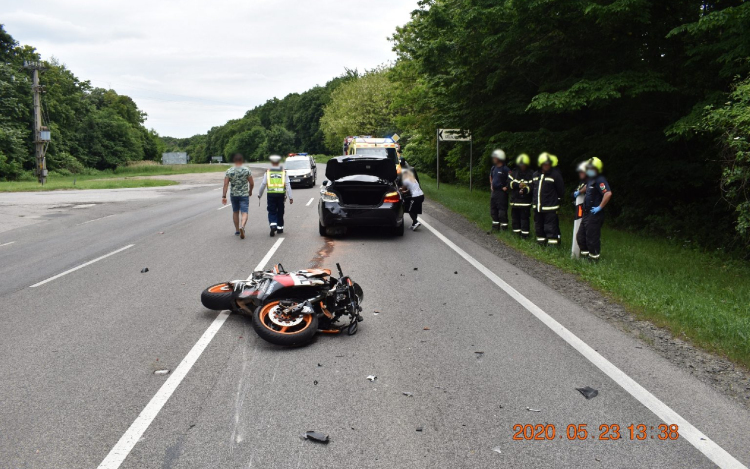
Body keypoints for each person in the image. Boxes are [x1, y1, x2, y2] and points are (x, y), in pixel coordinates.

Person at [576, 157, 612, 261]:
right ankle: (585, 257)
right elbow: (587, 187)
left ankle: (594, 260)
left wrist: (600, 207)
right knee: (581, 237)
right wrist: (579, 192)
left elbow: (608, 193)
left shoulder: (600, 180)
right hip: (587, 213)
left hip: (594, 215)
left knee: (592, 239)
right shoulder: (591, 179)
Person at [531, 152, 565, 246]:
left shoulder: (555, 175)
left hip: (550, 207)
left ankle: (552, 247)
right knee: (539, 227)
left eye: (548, 163)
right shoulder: (535, 175)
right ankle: (540, 244)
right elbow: (533, 189)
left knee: (550, 227)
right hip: (537, 207)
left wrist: (556, 201)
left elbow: (561, 190)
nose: (546, 165)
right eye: (545, 163)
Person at [257, 154, 293, 237]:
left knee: (272, 211)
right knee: (280, 211)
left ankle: (273, 226)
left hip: (271, 195)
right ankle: (280, 228)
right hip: (281, 195)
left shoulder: (268, 172)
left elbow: (263, 184)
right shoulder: (283, 172)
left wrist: (260, 194)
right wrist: (290, 197)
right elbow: (288, 185)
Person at [222, 153, 254, 239]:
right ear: (242, 160)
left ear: (234, 161)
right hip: (244, 194)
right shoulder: (247, 170)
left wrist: (224, 196)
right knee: (244, 212)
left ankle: (237, 230)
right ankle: (242, 226)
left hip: (234, 195)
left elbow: (225, 184)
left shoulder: (229, 171)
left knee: (235, 212)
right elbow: (251, 183)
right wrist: (250, 191)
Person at [508, 153, 534, 238]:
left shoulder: (531, 174)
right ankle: (516, 234)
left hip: (525, 202)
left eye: (524, 164)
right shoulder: (514, 173)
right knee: (515, 219)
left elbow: (533, 187)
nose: (522, 166)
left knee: (524, 219)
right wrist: (517, 185)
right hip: (515, 202)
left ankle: (524, 236)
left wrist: (525, 190)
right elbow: (508, 183)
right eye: (521, 164)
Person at [489, 149, 510, 232]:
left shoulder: (505, 169)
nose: (493, 158)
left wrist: (507, 187)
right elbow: (491, 176)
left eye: (495, 157)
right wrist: (491, 184)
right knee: (493, 210)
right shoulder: (493, 168)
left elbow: (511, 179)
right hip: (494, 192)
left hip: (502, 193)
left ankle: (504, 228)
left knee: (502, 211)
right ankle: (495, 228)